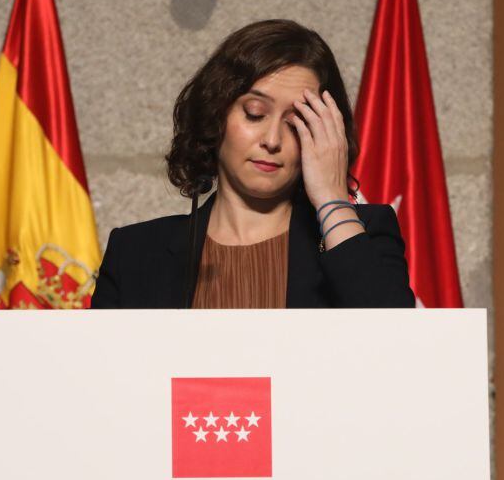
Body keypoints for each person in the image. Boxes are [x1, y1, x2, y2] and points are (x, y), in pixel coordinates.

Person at [90, 19, 414, 309]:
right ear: (215, 115)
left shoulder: (363, 234)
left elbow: (400, 352)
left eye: (296, 121)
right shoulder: (135, 253)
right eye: (255, 113)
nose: (272, 140)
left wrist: (332, 200)